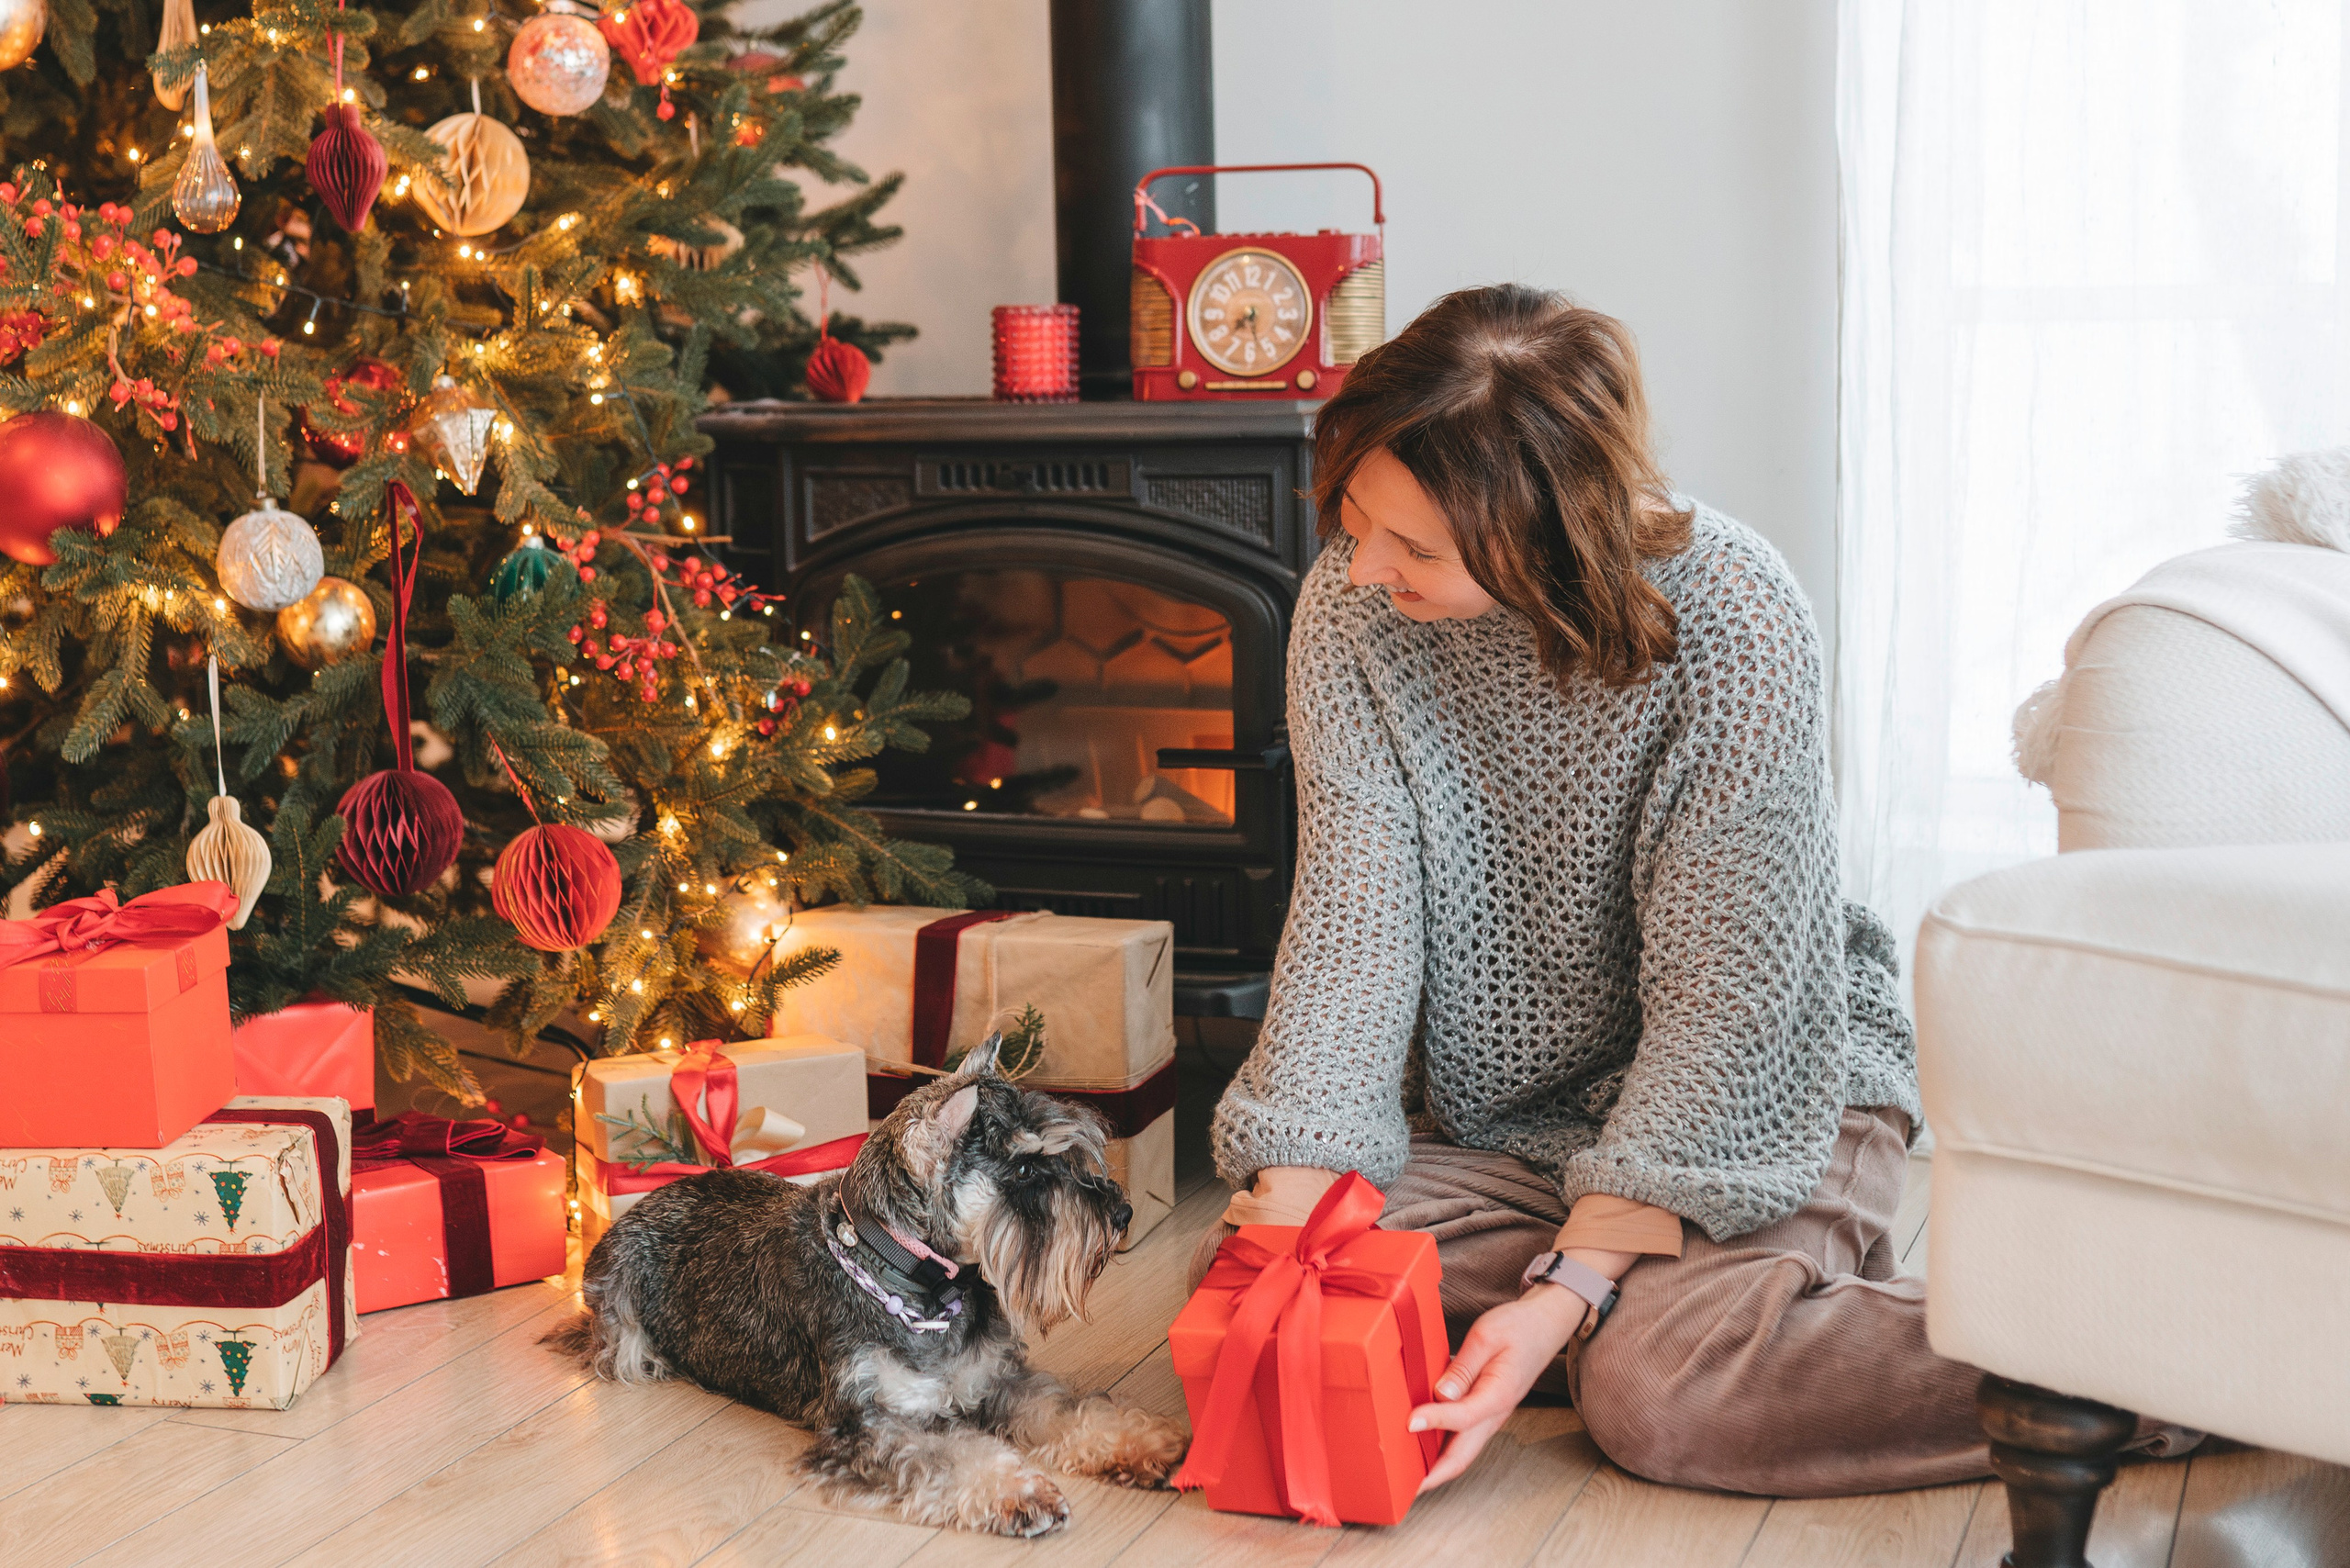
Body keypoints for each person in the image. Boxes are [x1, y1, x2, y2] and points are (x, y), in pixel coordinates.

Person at [1203, 284, 2192, 1497]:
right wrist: (1290, 1228)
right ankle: (1691, 1294)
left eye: (1416, 547)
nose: (1363, 570)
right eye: (1354, 521)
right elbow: (1353, 926)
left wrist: (1566, 1294)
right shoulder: (1351, 617)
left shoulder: (1734, 615)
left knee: (1664, 1395)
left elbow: (1733, 997)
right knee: (1286, 1273)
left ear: (1546, 530)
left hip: (1770, 1093)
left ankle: (2165, 1369)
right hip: (1522, 1125)